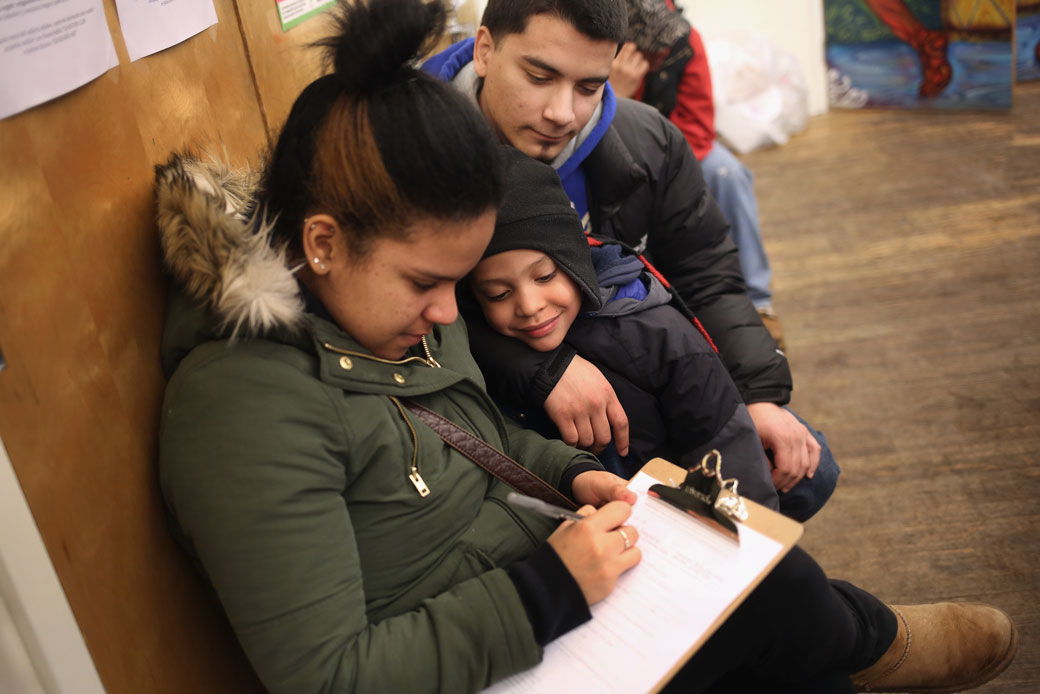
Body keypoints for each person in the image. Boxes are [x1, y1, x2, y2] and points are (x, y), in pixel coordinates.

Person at [155, 1, 1017, 692]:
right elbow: (330, 674)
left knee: (750, 586)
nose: (453, 314)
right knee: (774, 607)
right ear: (323, 243)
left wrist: (569, 474)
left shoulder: (374, 310)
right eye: (428, 284)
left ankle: (858, 649)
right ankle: (876, 644)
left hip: (515, 574)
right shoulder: (244, 411)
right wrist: (551, 589)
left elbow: (470, 437)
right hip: (503, 625)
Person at [423, 0, 825, 500]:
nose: (561, 113)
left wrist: (758, 395)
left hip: (643, 384)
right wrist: (543, 372)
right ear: (484, 51)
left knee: (805, 469)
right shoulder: (410, 154)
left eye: (589, 87)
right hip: (502, 410)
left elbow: (704, 272)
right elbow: (414, 312)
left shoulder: (650, 141)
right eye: (539, 76)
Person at [466, 146, 837, 521]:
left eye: (545, 276)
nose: (529, 305)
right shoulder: (472, 348)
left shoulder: (657, 335)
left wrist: (738, 545)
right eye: (498, 293)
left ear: (576, 259)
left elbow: (726, 452)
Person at [609, 0, 783, 347]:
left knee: (728, 173)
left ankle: (759, 301)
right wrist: (615, 94)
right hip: (612, 148)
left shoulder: (682, 42)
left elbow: (699, 128)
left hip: (673, 151)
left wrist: (658, 164)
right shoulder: (592, 41)